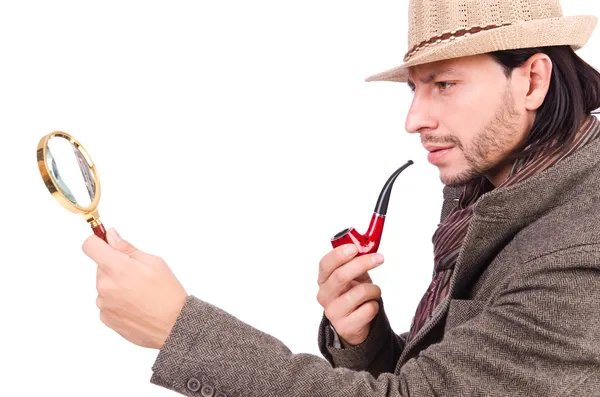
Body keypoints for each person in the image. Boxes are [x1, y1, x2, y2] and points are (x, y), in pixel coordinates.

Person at [81, 0, 600, 395]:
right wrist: (365, 344)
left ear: (532, 80)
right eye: (414, 89)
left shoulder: (578, 258)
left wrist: (180, 332)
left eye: (444, 84)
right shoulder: (502, 195)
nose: (414, 119)